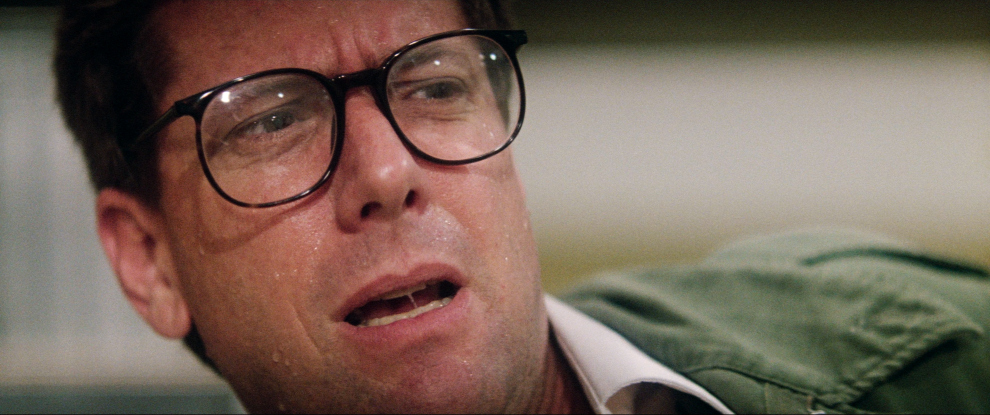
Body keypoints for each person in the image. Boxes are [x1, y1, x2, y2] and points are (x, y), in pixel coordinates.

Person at [54, 1, 990, 413]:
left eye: (434, 84)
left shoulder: (933, 357)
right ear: (149, 260)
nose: (387, 171)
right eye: (272, 119)